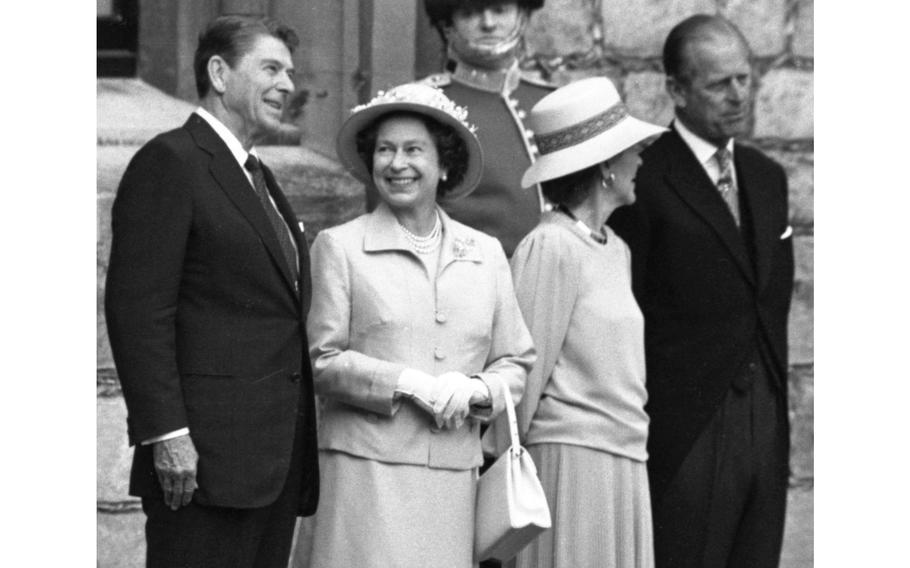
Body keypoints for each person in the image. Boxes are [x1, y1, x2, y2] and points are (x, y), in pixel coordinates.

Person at [104, 15, 319, 568]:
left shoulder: (257, 175)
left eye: (290, 72)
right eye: (270, 68)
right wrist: (167, 434)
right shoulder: (172, 161)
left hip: (269, 463)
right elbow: (138, 311)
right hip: (202, 465)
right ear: (219, 73)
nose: (288, 85)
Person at [301, 82, 535, 567]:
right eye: (385, 150)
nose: (396, 163)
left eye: (413, 150)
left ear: (444, 163)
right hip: (365, 475)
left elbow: (516, 363)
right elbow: (320, 361)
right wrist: (404, 382)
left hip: (451, 478)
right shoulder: (340, 247)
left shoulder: (485, 253)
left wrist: (474, 388)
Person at [608, 15, 795, 568]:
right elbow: (626, 314)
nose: (739, 95)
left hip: (765, 427)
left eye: (745, 78)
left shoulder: (766, 177)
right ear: (676, 90)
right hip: (683, 431)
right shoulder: (643, 178)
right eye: (719, 84)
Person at [507, 77, 665, 568]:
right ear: (604, 168)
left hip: (624, 457)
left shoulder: (616, 249)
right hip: (570, 464)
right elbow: (523, 370)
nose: (640, 159)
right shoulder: (549, 246)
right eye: (630, 150)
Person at [418, 0, 553, 257]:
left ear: (522, 15)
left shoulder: (548, 99)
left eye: (500, 10)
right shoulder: (425, 106)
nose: (488, 24)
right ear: (448, 26)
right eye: (469, 13)